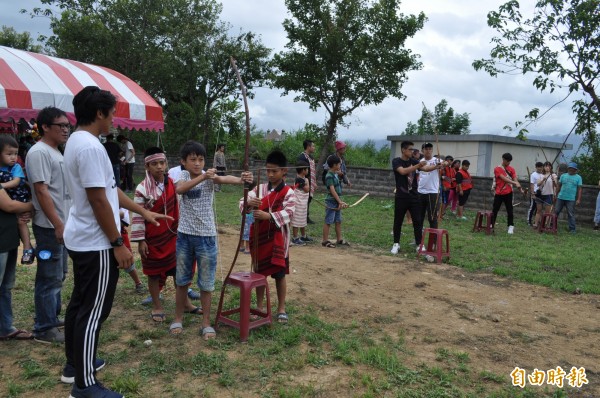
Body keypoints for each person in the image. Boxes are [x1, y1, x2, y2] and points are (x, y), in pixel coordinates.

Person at [62, 86, 170, 398]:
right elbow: (98, 201)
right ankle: (85, 386)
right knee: (93, 311)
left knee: (80, 304)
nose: (115, 120)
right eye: (112, 113)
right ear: (99, 113)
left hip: (82, 238)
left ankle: (74, 365)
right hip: (96, 243)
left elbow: (109, 191)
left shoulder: (78, 142)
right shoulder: (92, 149)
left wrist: (142, 211)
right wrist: (117, 242)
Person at [173, 140, 252, 338]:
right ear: (183, 162)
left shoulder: (209, 176)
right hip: (185, 236)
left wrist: (242, 179)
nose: (197, 163)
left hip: (206, 237)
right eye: (193, 160)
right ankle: (177, 319)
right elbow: (180, 190)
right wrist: (202, 177)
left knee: (206, 282)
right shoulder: (182, 176)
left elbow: (226, 180)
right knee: (182, 280)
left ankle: (206, 322)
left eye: (201, 159)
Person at [131, 147, 196, 324]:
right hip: (153, 240)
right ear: (147, 166)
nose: (159, 167)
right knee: (153, 274)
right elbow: (137, 216)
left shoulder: (172, 183)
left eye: (162, 163)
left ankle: (186, 303)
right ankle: (157, 306)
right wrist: (141, 240)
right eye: (155, 164)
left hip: (173, 236)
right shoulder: (142, 189)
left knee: (179, 272)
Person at [25, 107, 71, 344]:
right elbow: (41, 191)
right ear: (44, 127)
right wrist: (57, 224)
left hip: (61, 223)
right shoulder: (38, 152)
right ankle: (44, 328)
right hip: (49, 226)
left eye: (67, 126)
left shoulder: (56, 152)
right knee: (49, 276)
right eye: (60, 126)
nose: (65, 129)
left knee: (59, 274)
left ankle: (51, 316)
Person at [244, 150, 295, 323]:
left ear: (284, 171)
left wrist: (269, 216)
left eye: (275, 171)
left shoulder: (288, 192)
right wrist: (250, 203)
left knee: (280, 275)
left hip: (278, 241)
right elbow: (243, 202)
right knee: (259, 273)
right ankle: (259, 307)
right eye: (268, 171)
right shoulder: (260, 188)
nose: (271, 174)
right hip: (260, 240)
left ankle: (281, 308)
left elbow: (289, 212)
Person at [0, 184, 34, 341]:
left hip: (8, 239)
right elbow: (9, 205)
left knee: (5, 287)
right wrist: (34, 204)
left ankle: (5, 328)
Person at [0, 136, 34, 265]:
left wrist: (2, 186)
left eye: (15, 153)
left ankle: (27, 247)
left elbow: (16, 181)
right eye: (9, 154)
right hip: (7, 200)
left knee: (21, 222)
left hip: (18, 196)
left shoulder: (16, 168)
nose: (13, 157)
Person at [390, 141, 426, 255]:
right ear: (403, 150)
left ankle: (419, 244)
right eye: (410, 149)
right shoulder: (396, 161)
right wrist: (417, 166)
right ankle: (396, 244)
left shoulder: (414, 161)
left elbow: (426, 168)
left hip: (414, 196)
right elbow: (403, 171)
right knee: (398, 221)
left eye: (413, 149)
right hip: (401, 196)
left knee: (418, 221)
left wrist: (437, 166)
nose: (412, 151)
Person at [491, 153, 524, 234]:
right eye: (507, 161)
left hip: (509, 193)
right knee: (495, 209)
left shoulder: (511, 169)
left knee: (510, 210)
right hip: (499, 192)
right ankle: (491, 224)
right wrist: (514, 183)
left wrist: (521, 189)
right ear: (503, 159)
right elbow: (504, 178)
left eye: (510, 161)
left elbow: (515, 179)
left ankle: (510, 226)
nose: (508, 163)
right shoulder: (497, 169)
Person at [322, 155, 349, 248]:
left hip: (337, 201)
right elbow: (332, 190)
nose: (340, 165)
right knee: (328, 221)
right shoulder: (329, 176)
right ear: (334, 165)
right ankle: (325, 241)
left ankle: (339, 239)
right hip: (331, 201)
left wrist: (339, 201)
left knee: (338, 221)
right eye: (339, 164)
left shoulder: (335, 174)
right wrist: (339, 201)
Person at [417, 143, 445, 229]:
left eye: (430, 149)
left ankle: (433, 240)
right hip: (421, 191)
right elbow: (425, 169)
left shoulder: (437, 160)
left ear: (432, 150)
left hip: (433, 192)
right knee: (419, 217)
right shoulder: (420, 162)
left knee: (432, 217)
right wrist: (436, 166)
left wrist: (444, 164)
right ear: (422, 150)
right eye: (426, 149)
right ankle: (418, 239)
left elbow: (446, 162)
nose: (428, 150)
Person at [554, 162, 583, 233]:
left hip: (571, 199)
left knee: (570, 214)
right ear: (568, 169)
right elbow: (558, 186)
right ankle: (553, 225)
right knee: (556, 211)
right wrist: (555, 195)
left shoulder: (578, 177)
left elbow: (579, 189)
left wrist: (578, 199)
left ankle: (572, 229)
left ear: (575, 170)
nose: (571, 170)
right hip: (561, 197)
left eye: (573, 169)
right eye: (570, 168)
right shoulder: (563, 176)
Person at [291, 161, 311, 246]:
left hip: (303, 203)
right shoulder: (299, 179)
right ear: (303, 170)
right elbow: (306, 189)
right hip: (298, 203)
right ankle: (295, 238)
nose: (308, 170)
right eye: (307, 169)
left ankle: (303, 236)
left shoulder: (303, 178)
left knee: (302, 219)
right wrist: (307, 182)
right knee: (296, 219)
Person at [298, 139, 317, 224]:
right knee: (304, 199)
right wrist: (304, 182)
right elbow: (300, 171)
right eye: (313, 146)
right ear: (308, 147)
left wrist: (314, 182)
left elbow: (313, 171)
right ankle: (303, 217)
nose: (314, 148)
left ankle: (306, 216)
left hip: (311, 182)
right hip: (305, 182)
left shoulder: (311, 158)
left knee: (308, 199)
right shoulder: (302, 157)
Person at [534, 161, 557, 228]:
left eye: (549, 166)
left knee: (548, 212)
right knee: (538, 210)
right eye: (546, 166)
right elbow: (538, 184)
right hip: (540, 195)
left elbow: (556, 185)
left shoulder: (553, 175)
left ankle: (546, 224)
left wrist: (553, 180)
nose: (547, 167)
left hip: (549, 194)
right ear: (543, 167)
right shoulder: (541, 175)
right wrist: (543, 179)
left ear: (551, 167)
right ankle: (536, 223)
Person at [528, 162, 544, 226]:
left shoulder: (543, 175)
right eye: (538, 167)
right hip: (534, 193)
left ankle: (536, 221)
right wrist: (532, 194)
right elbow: (532, 184)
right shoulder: (533, 175)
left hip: (541, 193)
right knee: (532, 207)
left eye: (541, 167)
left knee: (539, 209)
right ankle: (529, 220)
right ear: (536, 167)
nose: (540, 168)